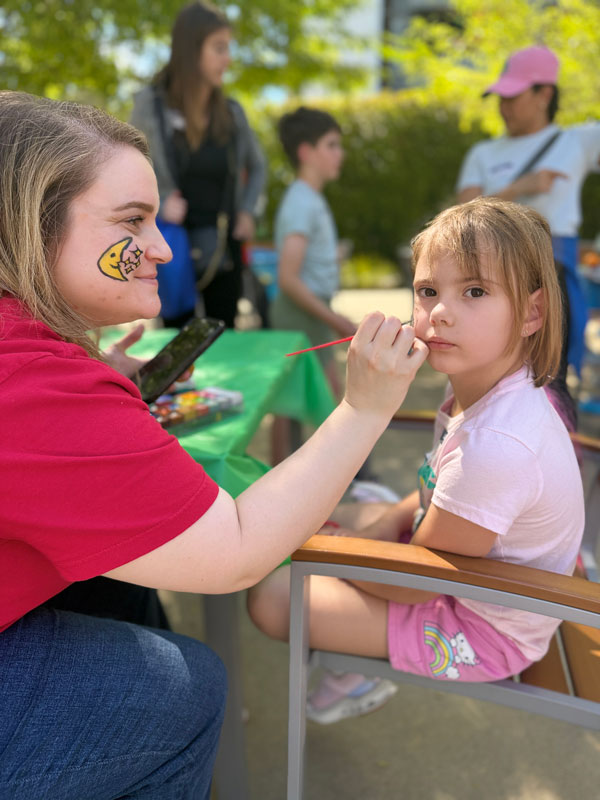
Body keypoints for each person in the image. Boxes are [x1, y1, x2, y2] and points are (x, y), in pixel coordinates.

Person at [0, 91, 427, 798]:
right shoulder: (36, 382)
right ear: (32, 224)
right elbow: (235, 550)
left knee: (117, 591)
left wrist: (100, 395)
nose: (164, 249)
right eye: (132, 221)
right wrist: (364, 407)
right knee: (185, 687)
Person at [248, 197, 585, 726]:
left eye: (475, 291)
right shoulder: (484, 386)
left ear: (532, 313)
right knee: (329, 514)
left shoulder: (497, 444)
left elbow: (417, 583)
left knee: (271, 596)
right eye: (428, 291)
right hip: (460, 571)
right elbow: (437, 482)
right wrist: (381, 525)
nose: (440, 312)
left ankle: (360, 668)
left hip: (484, 629)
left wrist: (339, 553)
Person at [456, 45, 600, 386]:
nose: (503, 106)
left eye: (512, 96)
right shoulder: (483, 152)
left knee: (553, 376)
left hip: (554, 271)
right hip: (493, 270)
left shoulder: (576, 140)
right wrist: (519, 188)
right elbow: (460, 215)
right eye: (500, 98)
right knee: (494, 373)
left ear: (544, 94)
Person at [130, 0, 266, 329]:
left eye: (228, 48)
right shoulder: (150, 106)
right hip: (172, 247)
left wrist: (248, 211)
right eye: (219, 48)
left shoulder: (232, 112)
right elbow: (128, 167)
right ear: (191, 50)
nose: (227, 59)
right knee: (178, 344)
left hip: (223, 249)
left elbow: (258, 167)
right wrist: (160, 202)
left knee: (224, 337)